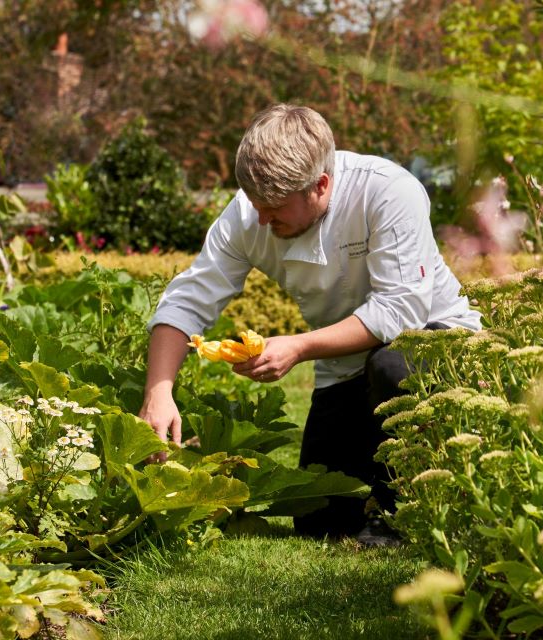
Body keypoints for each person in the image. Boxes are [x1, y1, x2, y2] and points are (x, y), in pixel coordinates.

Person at [138, 104, 481, 545]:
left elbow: (401, 311)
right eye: (256, 205)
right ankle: (383, 505)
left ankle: (429, 499)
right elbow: (187, 300)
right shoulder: (249, 213)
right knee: (321, 522)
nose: (261, 219)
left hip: (434, 346)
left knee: (393, 366)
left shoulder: (389, 191)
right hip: (344, 364)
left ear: (320, 185)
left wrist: (298, 347)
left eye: (274, 208)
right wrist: (158, 391)